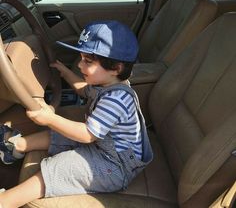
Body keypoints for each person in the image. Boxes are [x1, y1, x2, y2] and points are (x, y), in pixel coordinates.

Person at [0, 20, 153, 208]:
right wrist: (65, 73)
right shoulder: (106, 85)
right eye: (80, 58)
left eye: (87, 61)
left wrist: (50, 118)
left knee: (61, 167)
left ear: (116, 68)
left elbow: (86, 135)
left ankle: (7, 201)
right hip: (105, 146)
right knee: (61, 135)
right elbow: (83, 90)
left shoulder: (116, 100)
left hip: (116, 167)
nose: (80, 65)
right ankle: (16, 146)